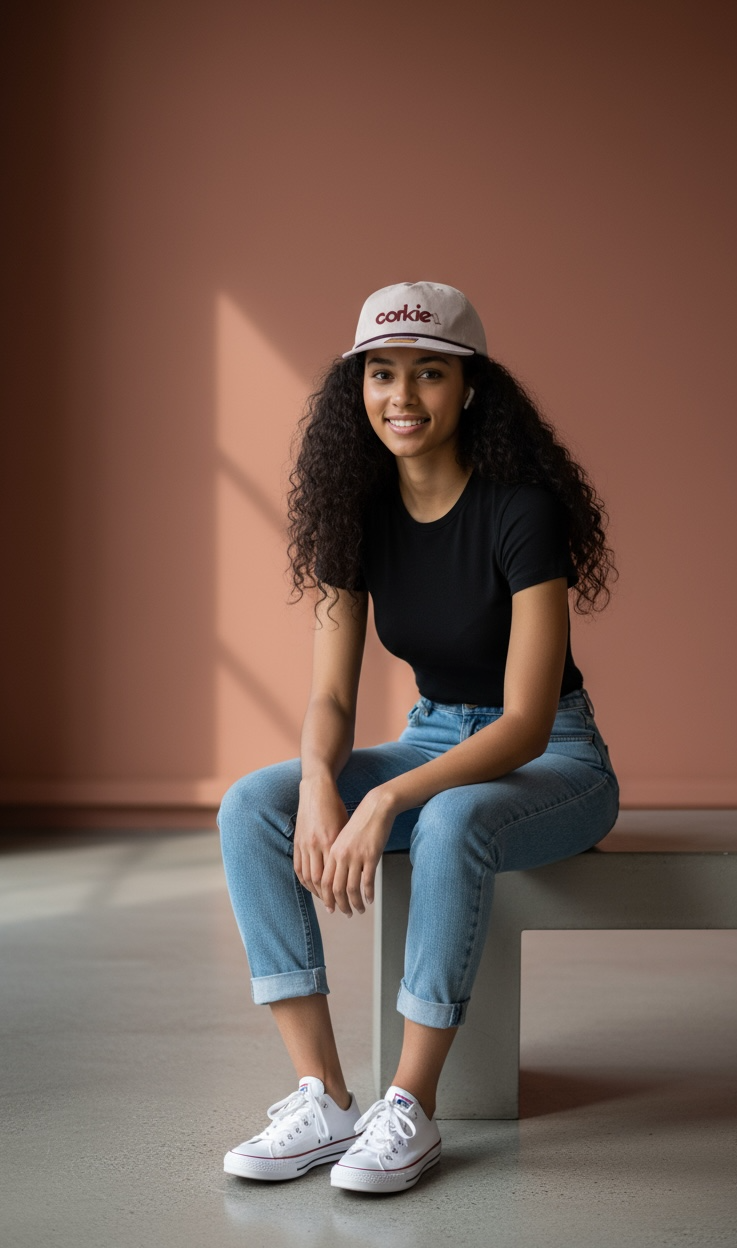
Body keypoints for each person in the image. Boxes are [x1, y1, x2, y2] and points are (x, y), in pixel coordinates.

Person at [218, 281, 619, 1194]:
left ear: (471, 387)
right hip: (431, 735)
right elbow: (330, 693)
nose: (403, 396)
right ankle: (321, 1094)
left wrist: (395, 793)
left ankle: (410, 1106)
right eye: (382, 373)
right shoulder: (354, 512)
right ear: (355, 389)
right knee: (253, 806)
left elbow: (522, 721)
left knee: (447, 822)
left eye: (429, 373)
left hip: (554, 756)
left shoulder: (523, 511)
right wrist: (322, 778)